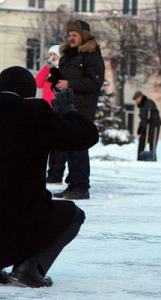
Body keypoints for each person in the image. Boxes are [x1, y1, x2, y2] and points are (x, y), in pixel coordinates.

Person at [0, 66, 99, 287]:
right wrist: (68, 110)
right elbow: (85, 136)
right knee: (72, 215)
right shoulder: (33, 113)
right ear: (28, 92)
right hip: (17, 217)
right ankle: (29, 268)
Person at [53, 19, 105, 200]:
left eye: (74, 34)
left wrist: (69, 84)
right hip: (66, 106)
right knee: (69, 146)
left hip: (82, 108)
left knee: (78, 147)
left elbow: (95, 82)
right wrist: (57, 81)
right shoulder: (69, 55)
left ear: (83, 36)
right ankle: (72, 185)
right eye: (69, 35)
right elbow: (65, 78)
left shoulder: (92, 56)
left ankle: (81, 187)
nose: (71, 38)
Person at [35, 44, 67, 184]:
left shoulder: (63, 71)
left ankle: (56, 174)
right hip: (47, 111)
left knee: (58, 145)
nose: (51, 57)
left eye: (54, 54)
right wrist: (47, 67)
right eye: (50, 55)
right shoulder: (49, 71)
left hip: (59, 111)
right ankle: (50, 173)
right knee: (48, 144)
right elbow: (37, 83)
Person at [133, 90, 161, 161]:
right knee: (141, 139)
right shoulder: (141, 107)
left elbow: (155, 113)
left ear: (140, 97)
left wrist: (151, 119)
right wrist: (140, 127)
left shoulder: (149, 103)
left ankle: (152, 157)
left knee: (153, 141)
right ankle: (140, 157)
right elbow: (143, 119)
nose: (136, 101)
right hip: (146, 125)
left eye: (136, 99)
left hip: (154, 125)